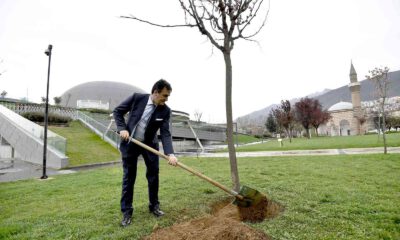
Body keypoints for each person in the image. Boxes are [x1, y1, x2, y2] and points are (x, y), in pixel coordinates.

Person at [113, 79, 178, 227]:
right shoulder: (137, 98)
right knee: (129, 177)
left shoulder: (165, 110)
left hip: (150, 145)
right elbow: (118, 111)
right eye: (164, 95)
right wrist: (122, 128)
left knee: (153, 176)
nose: (166, 99)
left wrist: (171, 154)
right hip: (131, 143)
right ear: (155, 92)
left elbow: (166, 133)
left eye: (168, 96)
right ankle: (127, 212)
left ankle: (154, 206)